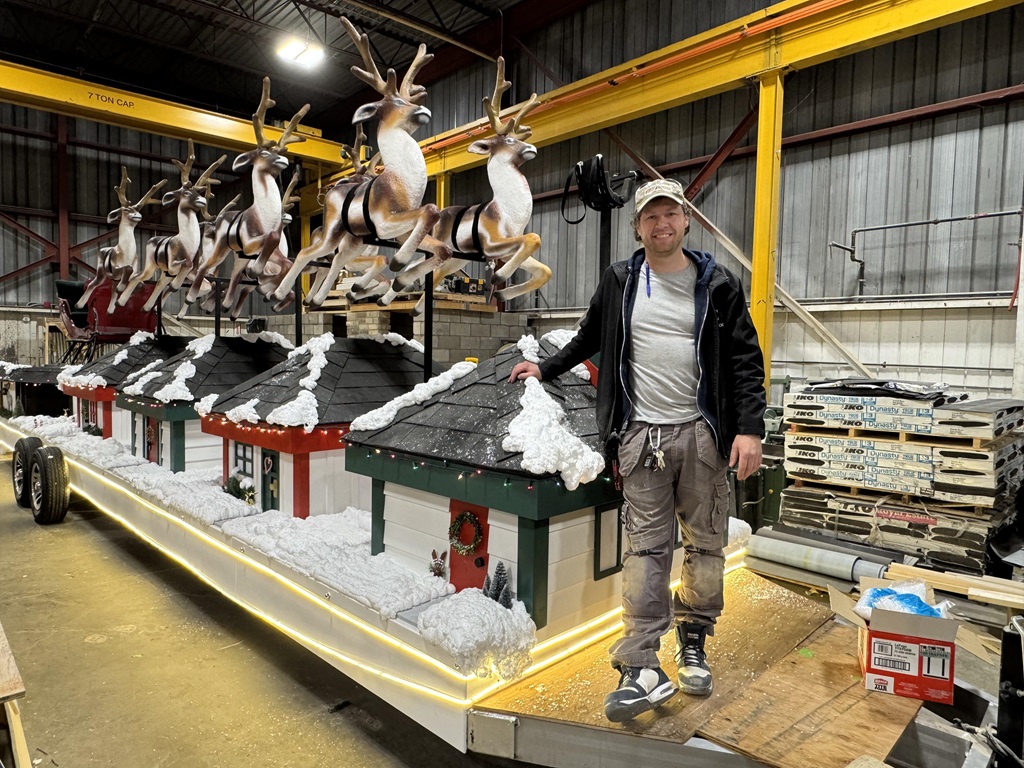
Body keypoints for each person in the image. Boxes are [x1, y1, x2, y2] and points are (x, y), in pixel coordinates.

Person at [508, 177, 766, 723]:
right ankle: (641, 663)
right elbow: (589, 335)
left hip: (702, 436)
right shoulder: (621, 280)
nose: (661, 223)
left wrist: (749, 429)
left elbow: (745, 359)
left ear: (685, 220)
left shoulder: (718, 282)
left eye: (670, 214)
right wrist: (545, 367)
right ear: (638, 227)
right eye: (651, 216)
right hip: (641, 438)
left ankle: (693, 638)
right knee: (645, 551)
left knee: (706, 546)